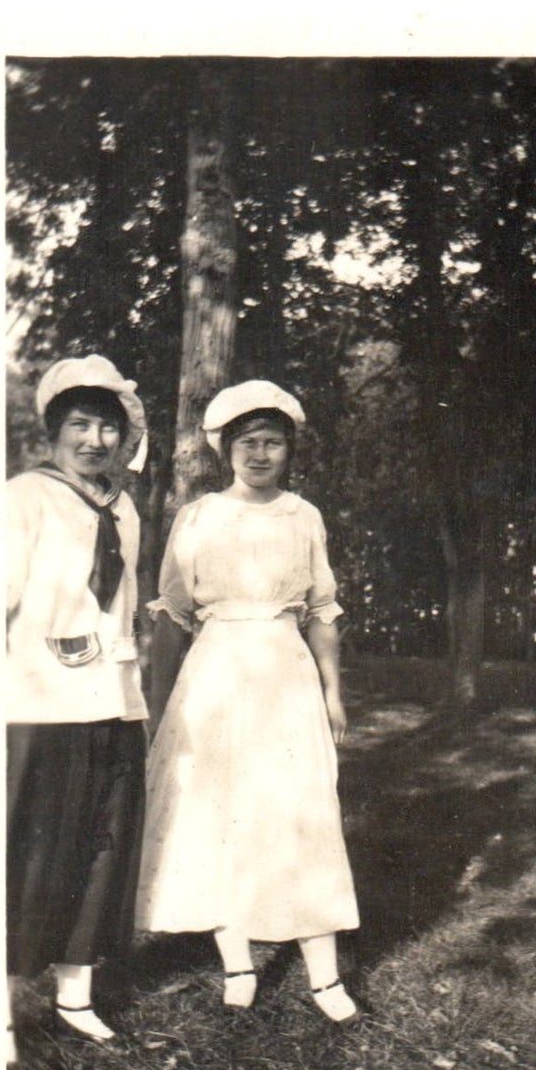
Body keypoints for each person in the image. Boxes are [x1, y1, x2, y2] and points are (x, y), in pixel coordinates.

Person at [136, 379, 361, 1022]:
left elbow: (321, 612)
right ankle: (237, 961)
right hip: (215, 675)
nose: (259, 455)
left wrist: (333, 693)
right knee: (219, 811)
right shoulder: (200, 516)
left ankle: (324, 976)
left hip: (285, 672)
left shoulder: (303, 516)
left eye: (272, 443)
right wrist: (162, 702)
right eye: (247, 443)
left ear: (289, 449)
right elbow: (174, 612)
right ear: (225, 449)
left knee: (299, 809)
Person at [6, 354, 150, 1045]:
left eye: (107, 428)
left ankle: (74, 992)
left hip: (114, 701)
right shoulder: (24, 498)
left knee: (102, 845)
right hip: (37, 703)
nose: (95, 440)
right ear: (54, 430)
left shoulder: (122, 506)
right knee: (30, 853)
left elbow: (120, 607)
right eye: (80, 425)